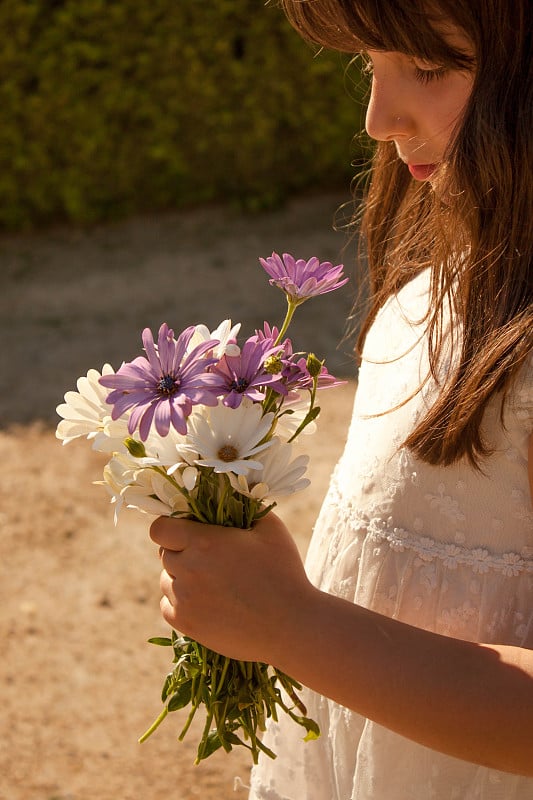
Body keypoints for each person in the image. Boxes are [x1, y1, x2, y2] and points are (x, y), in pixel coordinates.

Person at [150, 1, 533, 797]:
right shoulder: (443, 285)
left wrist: (290, 625)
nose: (377, 119)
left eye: (428, 67)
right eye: (370, 64)